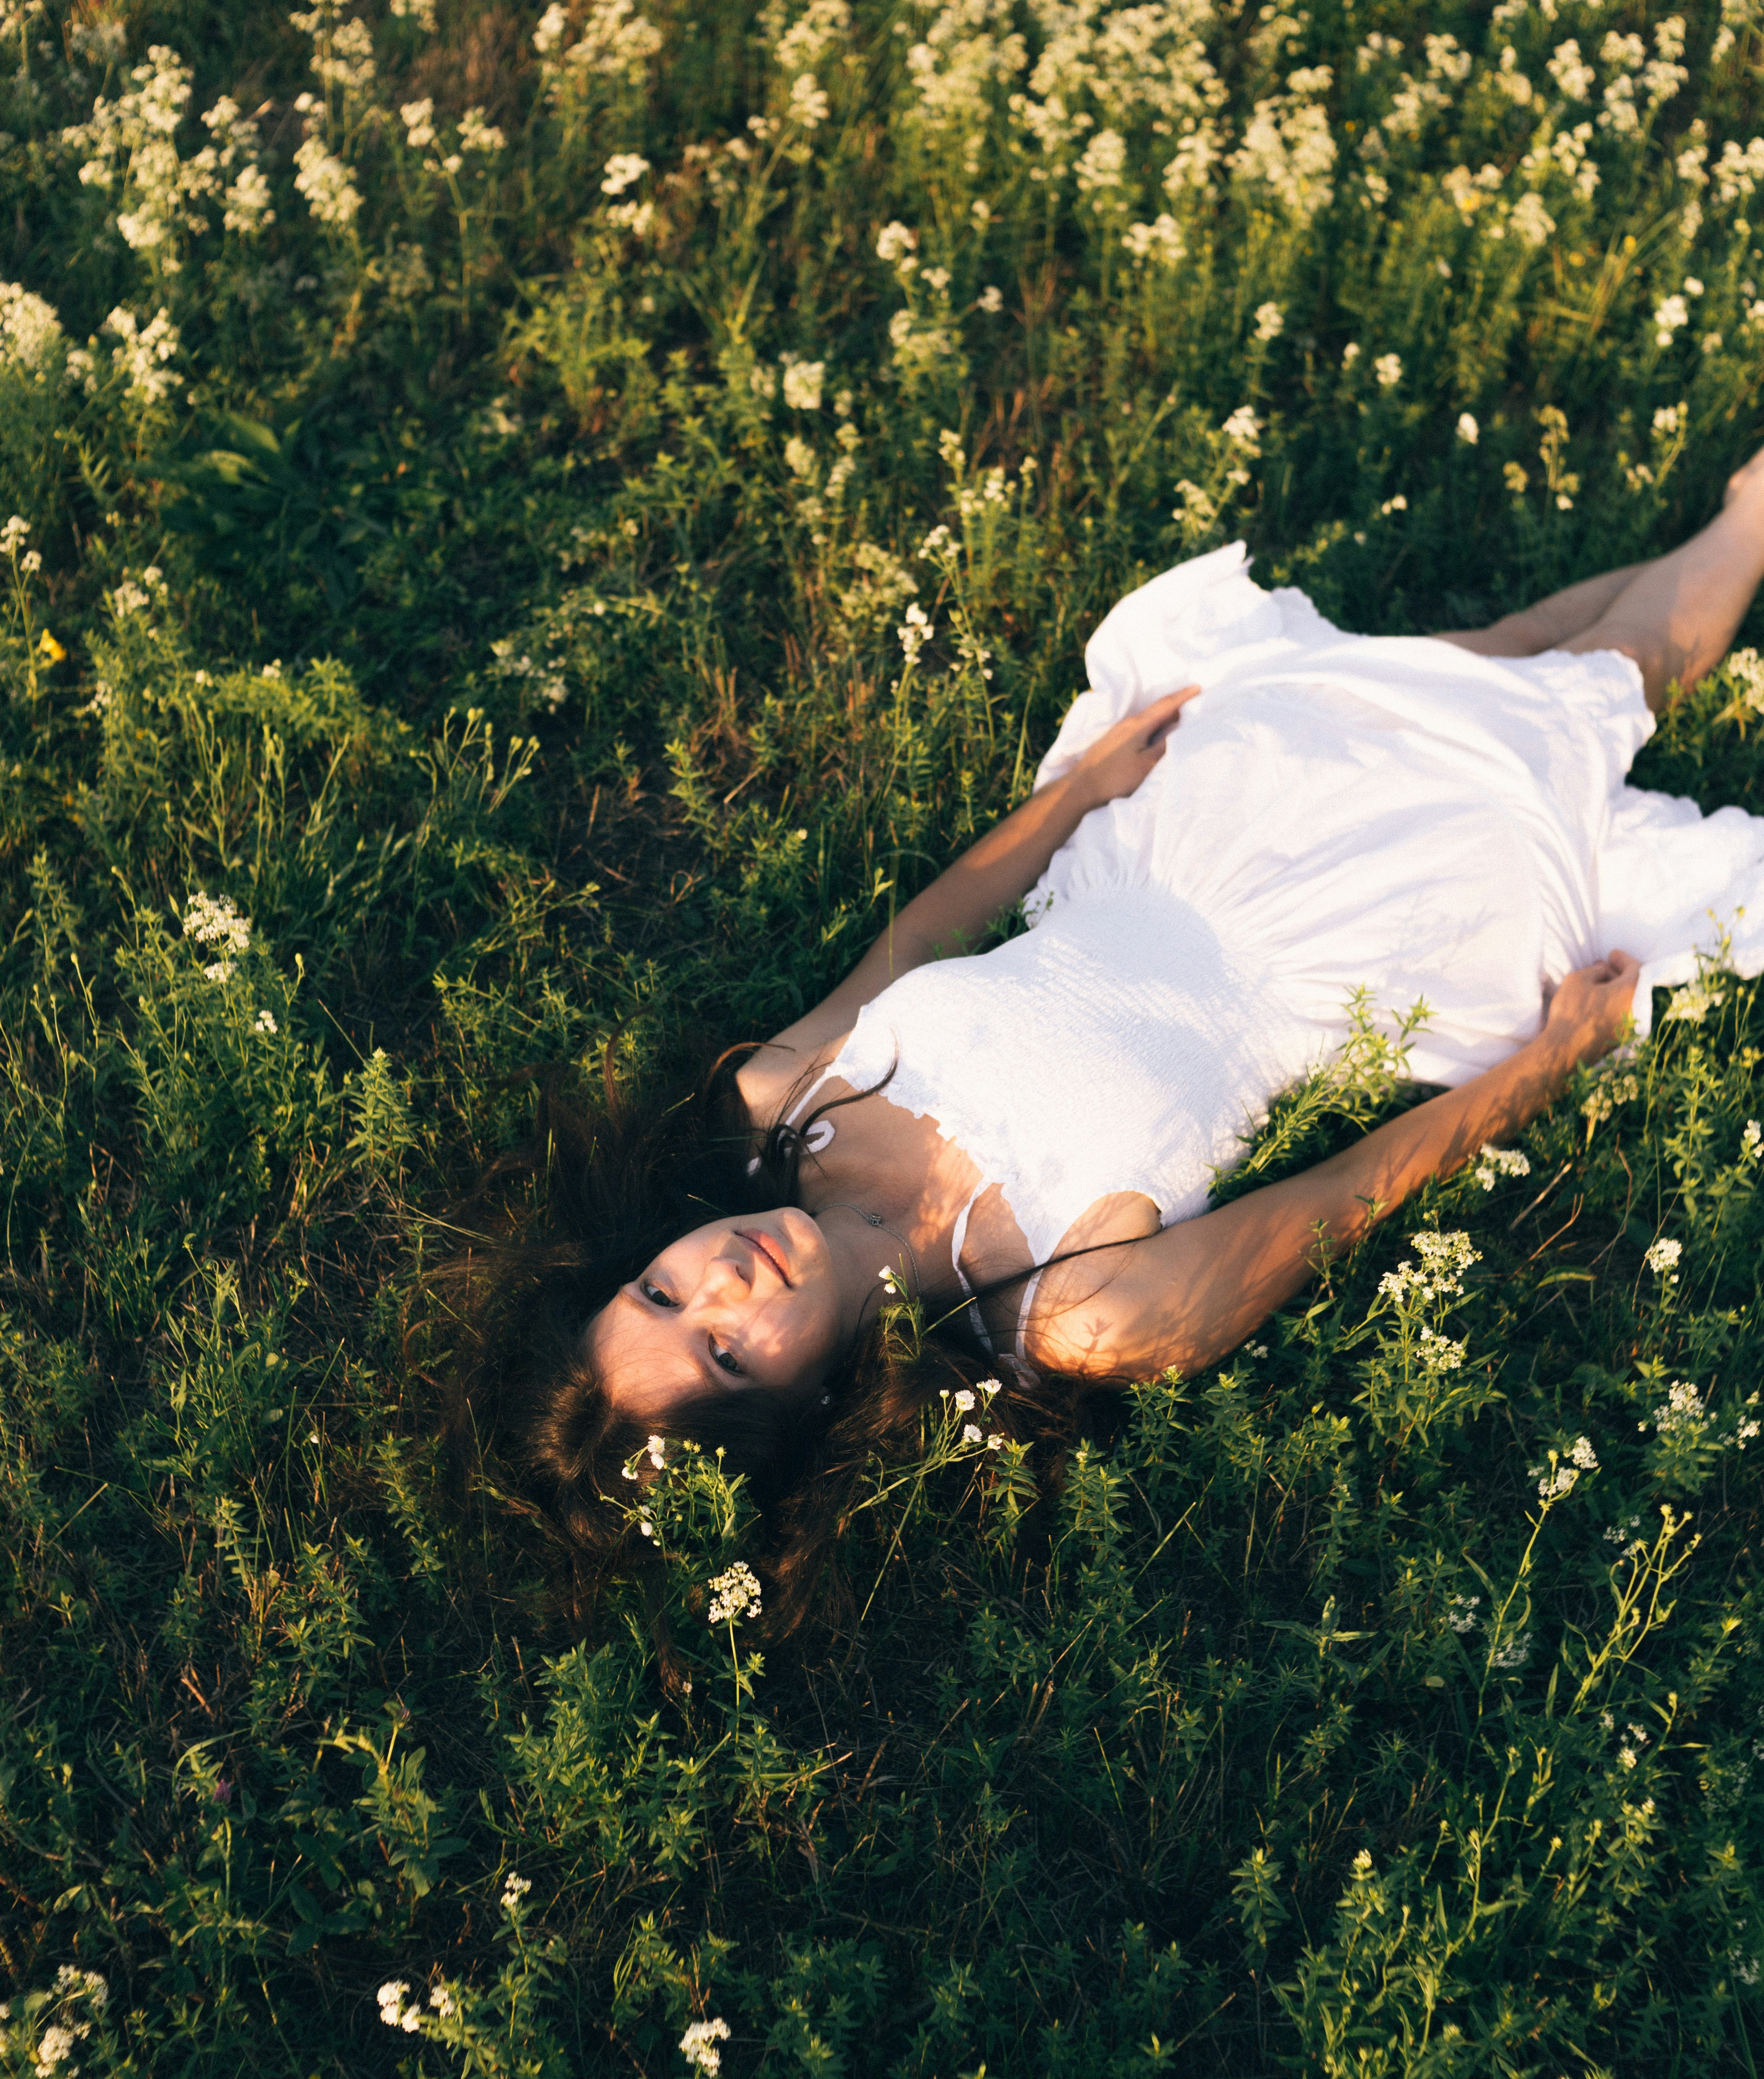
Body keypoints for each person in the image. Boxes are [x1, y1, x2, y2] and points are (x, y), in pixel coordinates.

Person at [441, 457, 1764, 1631]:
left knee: (1477, 659)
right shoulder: (1077, 1316)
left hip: (1180, 837)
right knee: (1604, 680)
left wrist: (1078, 792)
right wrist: (1542, 1063)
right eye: (728, 1351)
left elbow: (919, 936)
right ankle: (1747, 519)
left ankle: (1717, 532)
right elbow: (1338, 1200)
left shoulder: (786, 1102)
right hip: (1363, 933)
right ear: (799, 1408)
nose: (722, 1281)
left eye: (661, 1294)